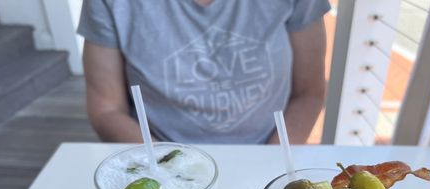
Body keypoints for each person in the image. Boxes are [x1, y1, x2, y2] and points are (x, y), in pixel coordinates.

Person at [78, 0, 330, 144]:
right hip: (157, 157)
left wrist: (271, 157)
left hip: (268, 150)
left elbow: (309, 93)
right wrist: (168, 165)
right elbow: (106, 109)